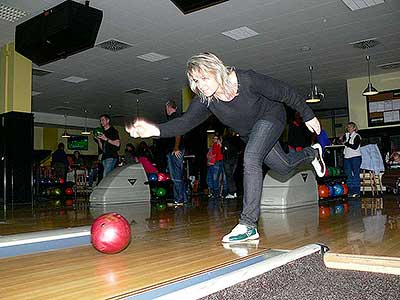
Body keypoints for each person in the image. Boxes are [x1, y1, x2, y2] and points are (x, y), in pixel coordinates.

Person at [127, 52, 325, 243]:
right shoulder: (207, 100)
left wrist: (307, 114)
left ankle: (248, 225)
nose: (200, 85)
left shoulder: (246, 79)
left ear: (216, 69)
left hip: (272, 116)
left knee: (251, 158)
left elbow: (284, 91)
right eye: (195, 81)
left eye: (204, 78)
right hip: (251, 132)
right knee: (282, 167)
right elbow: (185, 122)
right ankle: (312, 153)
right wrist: (154, 130)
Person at [164, 100, 187, 205]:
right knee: (177, 174)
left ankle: (179, 199)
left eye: (166, 108)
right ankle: (182, 198)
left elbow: (178, 133)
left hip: (175, 150)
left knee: (175, 175)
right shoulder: (176, 118)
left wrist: (176, 147)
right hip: (175, 149)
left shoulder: (174, 118)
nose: (166, 111)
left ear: (169, 107)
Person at [339, 122, 362, 197]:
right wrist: (341, 140)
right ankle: (350, 191)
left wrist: (346, 143)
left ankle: (356, 192)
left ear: (354, 128)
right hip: (347, 157)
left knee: (355, 174)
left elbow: (355, 146)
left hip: (355, 157)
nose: (349, 128)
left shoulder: (357, 136)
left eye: (350, 127)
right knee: (348, 174)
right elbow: (341, 142)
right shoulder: (346, 135)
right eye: (348, 127)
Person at [222, 129, 241, 199]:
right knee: (233, 176)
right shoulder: (236, 139)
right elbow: (239, 150)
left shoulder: (226, 140)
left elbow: (224, 150)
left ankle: (232, 192)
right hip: (235, 159)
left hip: (228, 160)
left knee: (229, 177)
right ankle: (235, 192)